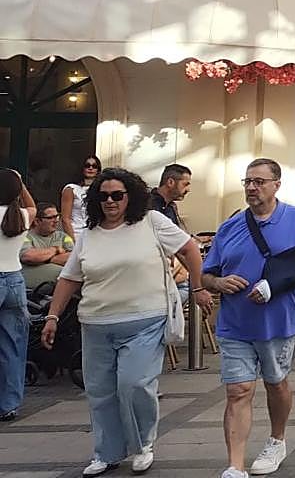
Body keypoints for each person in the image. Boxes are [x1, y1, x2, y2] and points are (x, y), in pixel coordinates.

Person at [44, 167, 209, 474]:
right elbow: (69, 278)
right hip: (95, 324)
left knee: (134, 385)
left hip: (145, 321)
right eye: (103, 196)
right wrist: (53, 315)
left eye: (117, 195)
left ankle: (144, 444)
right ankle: (107, 452)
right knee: (100, 391)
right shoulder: (88, 234)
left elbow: (189, 248)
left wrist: (197, 286)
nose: (110, 201)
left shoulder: (151, 222)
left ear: (130, 197)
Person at [201, 158, 295, 478]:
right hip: (235, 323)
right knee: (238, 390)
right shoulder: (230, 226)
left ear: (276, 184)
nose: (252, 187)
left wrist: (272, 286)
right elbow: (207, 274)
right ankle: (235, 466)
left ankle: (277, 439)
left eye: (259, 181)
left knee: (275, 384)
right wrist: (218, 283)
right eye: (248, 181)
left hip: (277, 321)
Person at [1, 169, 36, 422]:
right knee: (12, 346)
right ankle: (9, 404)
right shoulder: (22, 216)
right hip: (14, 280)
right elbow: (32, 204)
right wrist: (21, 184)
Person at [19, 203, 73, 289]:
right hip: (31, 290)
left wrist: (44, 258)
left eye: (56, 216)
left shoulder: (64, 237)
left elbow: (72, 259)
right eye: (50, 218)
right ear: (37, 221)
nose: (56, 221)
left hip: (61, 287)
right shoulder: (25, 237)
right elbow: (28, 257)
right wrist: (56, 249)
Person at [60, 155, 101, 244]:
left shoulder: (102, 190)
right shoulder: (71, 188)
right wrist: (72, 242)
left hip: (96, 234)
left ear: (98, 170)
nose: (91, 168)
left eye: (94, 166)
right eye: (87, 165)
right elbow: (65, 219)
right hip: (76, 233)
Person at [149, 163, 192, 228]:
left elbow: (176, 234)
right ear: (170, 182)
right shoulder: (148, 205)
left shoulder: (171, 206)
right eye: (185, 184)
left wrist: (194, 237)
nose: (188, 190)